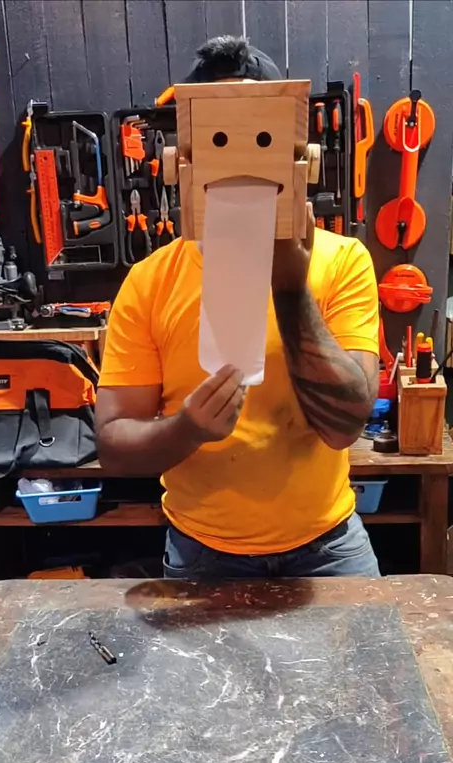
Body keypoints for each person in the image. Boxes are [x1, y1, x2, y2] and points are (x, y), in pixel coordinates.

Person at [96, 36, 380, 580]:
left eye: (262, 135)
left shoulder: (343, 260)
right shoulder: (151, 280)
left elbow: (344, 427)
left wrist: (290, 287)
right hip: (202, 553)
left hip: (328, 549)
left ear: (300, 156)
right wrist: (187, 430)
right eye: (220, 137)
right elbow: (113, 444)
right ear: (183, 158)